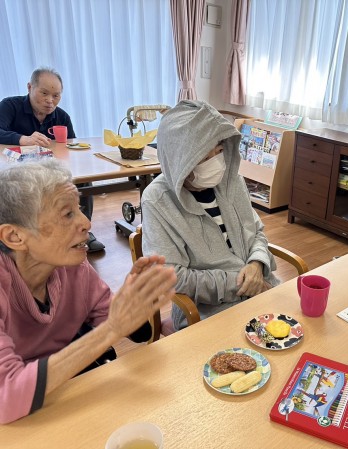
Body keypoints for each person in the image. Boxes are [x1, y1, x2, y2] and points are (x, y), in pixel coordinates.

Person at [0, 159, 177, 424]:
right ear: (14, 237)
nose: (86, 222)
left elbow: (131, 330)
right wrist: (111, 329)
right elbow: (6, 397)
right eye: (67, 214)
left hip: (66, 394)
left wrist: (137, 300)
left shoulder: (74, 269)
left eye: (80, 209)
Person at [141, 100, 280, 330]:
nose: (216, 163)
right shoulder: (157, 201)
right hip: (208, 311)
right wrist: (240, 283)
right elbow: (170, 277)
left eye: (220, 151)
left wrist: (256, 264)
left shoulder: (232, 180)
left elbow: (256, 232)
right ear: (179, 160)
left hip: (260, 289)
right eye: (205, 158)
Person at [0, 67, 105, 252]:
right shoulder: (10, 106)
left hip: (52, 169)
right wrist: (22, 139)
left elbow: (72, 145)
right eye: (44, 93)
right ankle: (19, 237)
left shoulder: (61, 116)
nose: (50, 100)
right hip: (17, 171)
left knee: (83, 180)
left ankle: (82, 232)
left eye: (56, 96)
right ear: (30, 87)